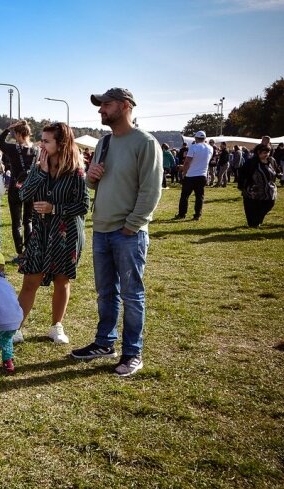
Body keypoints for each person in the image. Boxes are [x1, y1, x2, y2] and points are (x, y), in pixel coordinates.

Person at [71, 88, 162, 377]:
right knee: (106, 292)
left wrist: (132, 225)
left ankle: (132, 353)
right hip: (102, 229)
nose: (100, 110)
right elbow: (93, 184)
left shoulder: (146, 143)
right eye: (100, 106)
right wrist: (91, 178)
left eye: (106, 105)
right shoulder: (105, 143)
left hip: (128, 233)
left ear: (125, 106)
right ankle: (104, 343)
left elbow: (151, 190)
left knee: (133, 295)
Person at [18, 122, 89, 345]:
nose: (42, 144)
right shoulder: (39, 166)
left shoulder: (76, 171)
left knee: (62, 280)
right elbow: (24, 195)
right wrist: (41, 172)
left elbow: (83, 206)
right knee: (30, 280)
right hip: (41, 233)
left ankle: (56, 326)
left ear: (62, 144)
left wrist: (54, 208)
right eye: (42, 140)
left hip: (66, 234)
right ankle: (16, 328)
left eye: (47, 141)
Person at [0, 120, 39, 262]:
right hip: (32, 188)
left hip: (16, 187)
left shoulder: (13, 149)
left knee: (17, 222)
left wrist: (8, 129)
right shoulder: (37, 150)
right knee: (29, 220)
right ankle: (29, 250)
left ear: (19, 134)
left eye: (15, 134)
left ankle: (20, 253)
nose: (14, 136)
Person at [174, 131, 212, 221]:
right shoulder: (210, 148)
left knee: (184, 196)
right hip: (202, 175)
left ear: (195, 138)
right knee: (199, 196)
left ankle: (182, 214)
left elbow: (187, 162)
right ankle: (197, 215)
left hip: (191, 175)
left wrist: (184, 172)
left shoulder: (193, 147)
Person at [238, 144, 278, 227]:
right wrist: (242, 186)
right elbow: (242, 173)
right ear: (258, 152)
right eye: (264, 153)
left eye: (268, 152)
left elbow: (276, 170)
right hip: (253, 191)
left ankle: (257, 220)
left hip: (268, 190)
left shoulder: (271, 161)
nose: (266, 154)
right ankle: (254, 223)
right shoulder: (251, 162)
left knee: (269, 204)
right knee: (252, 209)